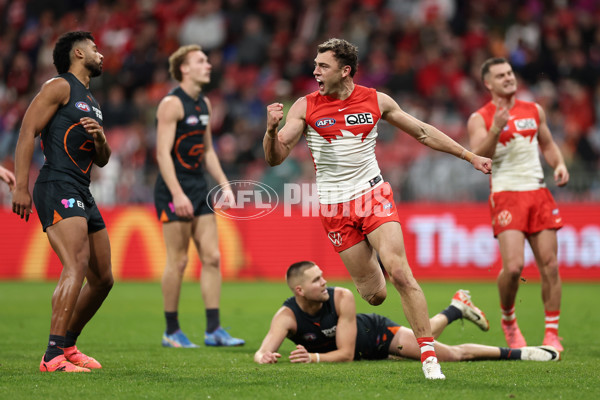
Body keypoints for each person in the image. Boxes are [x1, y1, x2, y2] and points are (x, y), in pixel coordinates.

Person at [263, 38, 493, 379]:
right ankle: (454, 309)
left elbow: (423, 132)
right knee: (375, 296)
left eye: (322, 66)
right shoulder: (305, 106)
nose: (315, 71)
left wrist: (469, 156)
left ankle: (429, 358)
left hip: (373, 196)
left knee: (400, 272)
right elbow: (275, 156)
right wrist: (271, 131)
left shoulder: (375, 100)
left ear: (345, 71)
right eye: (315, 64)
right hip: (335, 209)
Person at [12, 31, 113, 373]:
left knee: (103, 279)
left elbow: (102, 160)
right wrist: (20, 187)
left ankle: (68, 345)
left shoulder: (92, 101)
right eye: (95, 48)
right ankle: (52, 355)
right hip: (56, 184)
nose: (101, 53)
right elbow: (27, 131)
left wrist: (100, 140)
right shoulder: (60, 86)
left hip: (82, 189)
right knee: (76, 263)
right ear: (78, 53)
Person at [254, 261, 560, 365]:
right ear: (299, 290)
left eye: (322, 276)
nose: (325, 282)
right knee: (425, 335)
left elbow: (346, 354)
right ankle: (455, 309)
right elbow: (262, 351)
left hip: (377, 338)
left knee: (449, 355)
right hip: (370, 354)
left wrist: (314, 358)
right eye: (316, 280)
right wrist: (264, 357)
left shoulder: (342, 297)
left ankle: (524, 354)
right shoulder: (287, 316)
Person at [467, 58, 569, 351]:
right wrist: (496, 129)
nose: (508, 78)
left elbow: (547, 144)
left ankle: (551, 333)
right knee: (513, 268)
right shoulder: (481, 117)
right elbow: (478, 157)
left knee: (549, 264)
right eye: (501, 76)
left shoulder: (533, 110)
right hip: (506, 194)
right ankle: (509, 320)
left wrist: (559, 164)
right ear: (488, 83)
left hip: (538, 192)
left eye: (510, 73)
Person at [154, 44, 243, 348]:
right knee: (178, 261)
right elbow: (162, 154)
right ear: (184, 69)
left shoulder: (204, 103)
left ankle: (214, 330)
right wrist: (177, 193)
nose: (208, 65)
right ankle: (171, 330)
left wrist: (224, 184)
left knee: (213, 257)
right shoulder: (171, 104)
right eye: (201, 61)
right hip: (172, 188)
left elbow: (207, 151)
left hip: (198, 186)